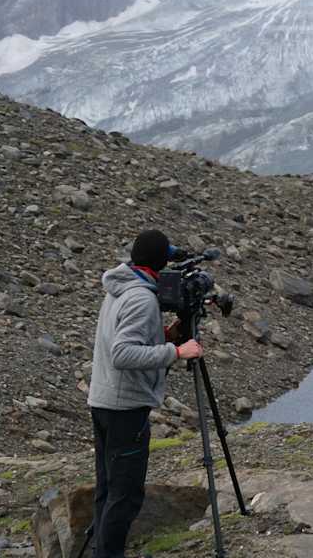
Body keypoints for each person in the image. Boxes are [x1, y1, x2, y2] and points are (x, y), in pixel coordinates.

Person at [87, 229, 204, 558]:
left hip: (104, 401)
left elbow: (122, 340)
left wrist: (164, 336)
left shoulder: (120, 287)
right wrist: (176, 353)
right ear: (160, 262)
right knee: (124, 495)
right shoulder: (141, 298)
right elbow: (122, 354)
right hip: (125, 409)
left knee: (107, 488)